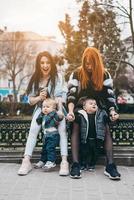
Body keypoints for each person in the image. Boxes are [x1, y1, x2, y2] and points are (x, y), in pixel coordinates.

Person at [67, 47, 121, 180]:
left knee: (106, 125)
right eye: (86, 63)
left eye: (91, 63)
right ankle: (75, 164)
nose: (89, 66)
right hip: (80, 107)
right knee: (76, 124)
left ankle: (110, 165)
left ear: (97, 62)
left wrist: (112, 112)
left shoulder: (105, 74)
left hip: (99, 108)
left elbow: (109, 97)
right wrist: (70, 112)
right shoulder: (77, 74)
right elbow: (71, 95)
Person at [18, 51, 69, 176]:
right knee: (33, 130)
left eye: (47, 62)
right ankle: (26, 161)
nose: (45, 65)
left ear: (51, 63)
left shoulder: (57, 77)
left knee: (62, 130)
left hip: (56, 108)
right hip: (41, 109)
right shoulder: (34, 78)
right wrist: (39, 98)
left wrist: (60, 112)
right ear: (38, 64)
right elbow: (30, 100)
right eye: (42, 62)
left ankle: (64, 162)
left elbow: (60, 97)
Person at [75, 98, 108, 174]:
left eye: (95, 104)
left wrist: (110, 117)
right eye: (91, 103)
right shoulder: (81, 115)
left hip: (97, 138)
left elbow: (107, 119)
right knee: (84, 152)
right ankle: (83, 164)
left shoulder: (101, 114)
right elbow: (76, 119)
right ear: (84, 108)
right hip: (85, 138)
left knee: (95, 152)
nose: (94, 104)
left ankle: (92, 164)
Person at [34, 98, 64, 171]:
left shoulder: (54, 114)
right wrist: (41, 114)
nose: (45, 108)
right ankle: (43, 160)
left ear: (53, 108)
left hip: (53, 135)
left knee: (50, 148)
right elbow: (38, 121)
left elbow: (60, 118)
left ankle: (51, 161)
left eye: (47, 107)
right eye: (43, 107)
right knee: (44, 149)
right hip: (46, 135)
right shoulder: (44, 115)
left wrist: (60, 113)